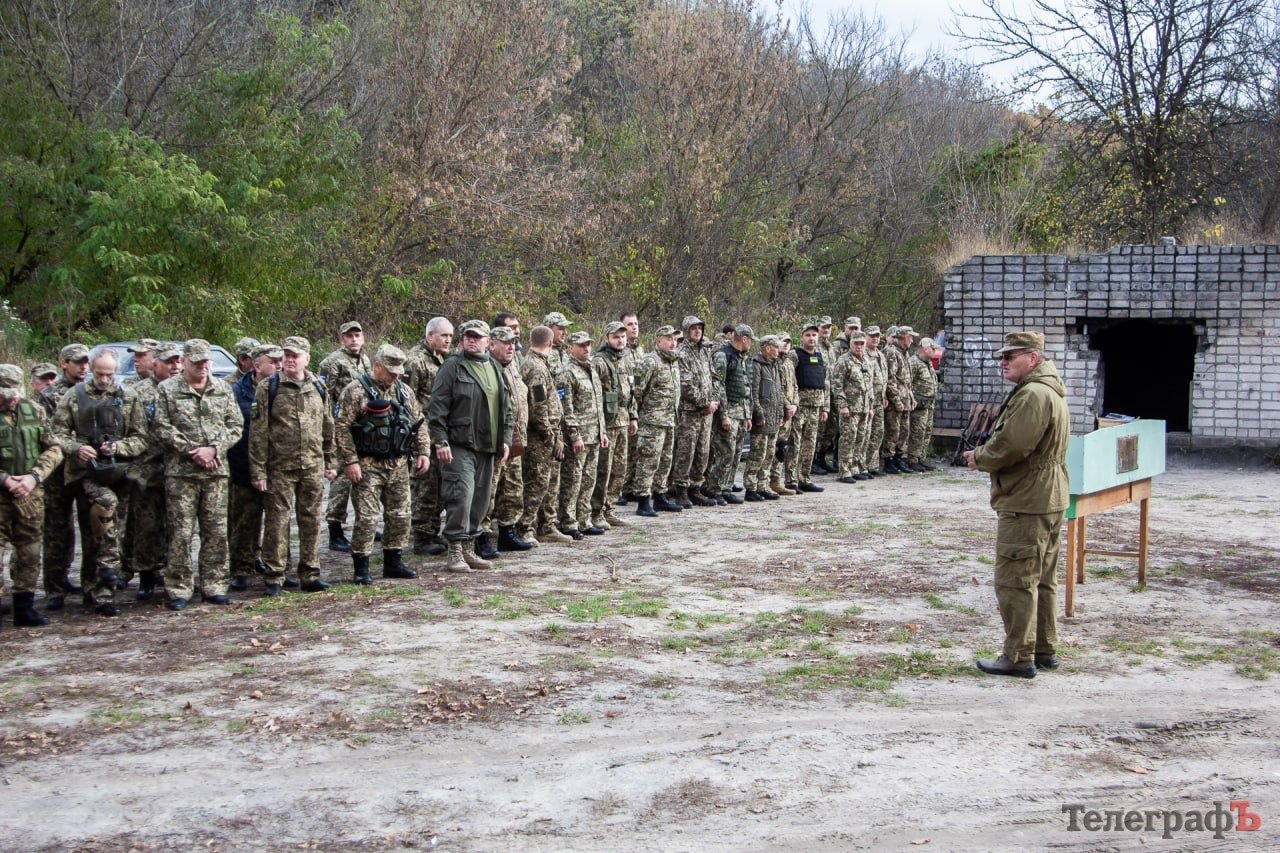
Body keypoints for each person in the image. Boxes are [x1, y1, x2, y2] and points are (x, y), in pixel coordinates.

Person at [964, 331, 1070, 679]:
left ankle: (1018, 655)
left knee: (1016, 578)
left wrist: (980, 457)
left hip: (1028, 497)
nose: (1003, 362)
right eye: (1002, 356)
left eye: (1011, 356)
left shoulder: (1034, 394)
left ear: (1033, 358)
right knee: (1041, 578)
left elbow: (1013, 445)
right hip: (1047, 495)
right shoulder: (1047, 389)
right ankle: (1042, 648)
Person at [49, 347, 148, 616]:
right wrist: (76, 448)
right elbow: (56, 433)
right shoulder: (74, 396)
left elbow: (141, 437)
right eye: (100, 374)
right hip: (87, 474)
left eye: (110, 374)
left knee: (114, 532)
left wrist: (118, 448)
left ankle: (104, 590)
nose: (105, 379)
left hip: (120, 472)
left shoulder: (128, 396)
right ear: (92, 369)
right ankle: (95, 588)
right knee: (98, 526)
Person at [152, 339, 243, 610]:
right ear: (185, 362)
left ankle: (214, 585)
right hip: (182, 474)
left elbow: (235, 424)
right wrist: (193, 450)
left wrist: (214, 449)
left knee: (216, 532)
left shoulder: (222, 389)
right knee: (180, 532)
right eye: (197, 362)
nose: (203, 366)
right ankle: (179, 587)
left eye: (207, 362)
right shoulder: (167, 390)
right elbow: (161, 426)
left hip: (216, 473)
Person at [249, 336, 337, 595]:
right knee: (277, 523)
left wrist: (330, 460)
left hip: (312, 465)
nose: (288, 359)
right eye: (286, 355)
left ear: (307, 359)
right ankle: (274, 576)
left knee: (311, 520)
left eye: (294, 355)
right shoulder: (268, 387)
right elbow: (258, 432)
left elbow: (327, 425)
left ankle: (310, 573)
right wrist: (258, 471)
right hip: (280, 467)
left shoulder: (319, 386)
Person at [335, 344, 430, 583]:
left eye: (398, 372)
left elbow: (418, 422)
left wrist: (423, 452)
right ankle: (362, 567)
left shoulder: (403, 391)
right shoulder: (355, 391)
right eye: (391, 371)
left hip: (397, 463)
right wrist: (350, 461)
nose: (395, 376)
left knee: (400, 515)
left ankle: (393, 561)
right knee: (367, 518)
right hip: (367, 464)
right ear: (377, 366)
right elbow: (342, 427)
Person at [427, 321, 513, 572]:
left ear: (488, 341)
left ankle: (469, 548)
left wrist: (505, 440)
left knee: (480, 500)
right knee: (461, 496)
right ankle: (455, 548)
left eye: (477, 337)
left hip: (488, 447)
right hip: (459, 444)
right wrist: (440, 440)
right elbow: (437, 407)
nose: (472, 341)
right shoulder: (453, 366)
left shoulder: (495, 368)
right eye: (468, 337)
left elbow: (507, 409)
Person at [0, 363, 64, 627]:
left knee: (30, 549)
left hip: (30, 493)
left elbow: (54, 449)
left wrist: (34, 476)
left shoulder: (34, 411)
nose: (11, 398)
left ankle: (24, 606)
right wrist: (4, 479)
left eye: (15, 392)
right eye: (5, 393)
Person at [128, 342, 182, 600]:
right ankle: (147, 576)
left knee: (178, 527)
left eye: (177, 361)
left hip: (179, 469)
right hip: (147, 470)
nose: (175, 366)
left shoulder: (182, 389)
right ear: (155, 363)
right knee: (147, 527)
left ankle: (175, 573)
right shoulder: (137, 393)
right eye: (169, 362)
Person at [39, 343, 90, 610]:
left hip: (84, 470)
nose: (83, 366)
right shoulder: (50, 394)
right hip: (58, 472)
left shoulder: (91, 391)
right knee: (57, 529)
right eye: (77, 361)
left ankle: (88, 584)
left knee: (90, 527)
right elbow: (51, 434)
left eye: (85, 361)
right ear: (64, 363)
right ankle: (54, 587)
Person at [228, 343, 281, 591]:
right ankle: (240, 568)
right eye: (274, 360)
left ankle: (272, 565)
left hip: (277, 464)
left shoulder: (282, 388)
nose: (280, 365)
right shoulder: (236, 391)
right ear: (257, 364)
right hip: (244, 463)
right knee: (244, 521)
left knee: (277, 520)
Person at [319, 321, 370, 552]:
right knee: (341, 479)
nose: (353, 340)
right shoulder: (331, 363)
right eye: (348, 336)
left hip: (361, 428)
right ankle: (335, 529)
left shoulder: (366, 361)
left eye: (357, 335)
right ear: (341, 339)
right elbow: (324, 397)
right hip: (341, 427)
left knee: (363, 477)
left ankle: (364, 524)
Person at [404, 317, 454, 555]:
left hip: (441, 434)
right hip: (424, 434)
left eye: (451, 337)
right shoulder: (415, 361)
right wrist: (416, 441)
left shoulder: (444, 359)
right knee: (425, 489)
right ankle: (422, 537)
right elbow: (407, 400)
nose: (448, 340)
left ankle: (433, 532)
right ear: (430, 335)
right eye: (443, 336)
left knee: (439, 489)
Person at [483, 326, 534, 552]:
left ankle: (507, 533)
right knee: (489, 492)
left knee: (513, 490)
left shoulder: (512, 367)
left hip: (514, 440)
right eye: (506, 342)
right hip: (494, 442)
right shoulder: (486, 368)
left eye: (514, 342)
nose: (511, 346)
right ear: (491, 344)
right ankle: (482, 537)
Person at [519, 325, 570, 544]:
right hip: (538, 437)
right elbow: (538, 407)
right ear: (550, 344)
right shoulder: (536, 368)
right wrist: (550, 436)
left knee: (549, 483)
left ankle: (547, 525)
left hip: (546, 434)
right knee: (537, 483)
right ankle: (525, 527)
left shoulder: (534, 363)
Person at [624, 325, 682, 516]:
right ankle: (642, 499)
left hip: (669, 420)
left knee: (665, 461)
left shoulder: (674, 362)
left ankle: (660, 495)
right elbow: (636, 392)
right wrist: (635, 417)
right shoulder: (649, 361)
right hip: (651, 422)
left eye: (674, 339)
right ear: (658, 341)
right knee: (648, 461)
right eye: (668, 339)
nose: (672, 343)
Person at [557, 330, 608, 538]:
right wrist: (574, 435)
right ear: (571, 348)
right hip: (578, 437)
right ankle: (568, 522)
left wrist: (602, 431)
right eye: (581, 345)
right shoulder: (567, 373)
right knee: (573, 480)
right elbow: (565, 408)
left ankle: (584, 520)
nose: (587, 348)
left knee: (588, 479)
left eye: (588, 344)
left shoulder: (591, 369)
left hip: (594, 434)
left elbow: (598, 404)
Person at [670, 315, 718, 508]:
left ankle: (696, 488)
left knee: (702, 451)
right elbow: (686, 385)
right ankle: (681, 489)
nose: (697, 331)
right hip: (689, 412)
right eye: (693, 328)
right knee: (686, 451)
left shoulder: (704, 352)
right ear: (687, 330)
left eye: (700, 328)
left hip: (707, 413)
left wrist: (714, 400)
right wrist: (705, 402)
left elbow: (713, 377)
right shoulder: (682, 353)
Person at [591, 321, 635, 529]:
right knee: (603, 470)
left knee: (619, 469)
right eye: (616, 337)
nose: (620, 340)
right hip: (607, 425)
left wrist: (633, 417)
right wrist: (600, 428)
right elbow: (596, 398)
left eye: (623, 337)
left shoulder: (626, 360)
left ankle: (610, 508)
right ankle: (596, 511)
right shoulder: (599, 362)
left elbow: (631, 391)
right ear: (607, 338)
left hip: (623, 420)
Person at [705, 324, 754, 505]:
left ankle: (726, 487)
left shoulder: (741, 358)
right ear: (744, 339)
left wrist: (748, 415)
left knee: (736, 453)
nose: (751, 344)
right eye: (750, 341)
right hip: (729, 413)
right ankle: (714, 488)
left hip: (741, 413)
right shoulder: (723, 355)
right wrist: (724, 415)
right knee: (724, 452)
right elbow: (719, 387)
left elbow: (745, 388)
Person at [743, 336, 783, 500]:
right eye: (776, 347)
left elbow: (778, 393)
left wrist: (780, 414)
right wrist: (758, 413)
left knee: (769, 454)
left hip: (774, 418)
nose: (778, 350)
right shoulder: (757, 365)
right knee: (757, 454)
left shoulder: (775, 366)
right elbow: (754, 392)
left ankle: (763, 485)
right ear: (767, 348)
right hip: (763, 418)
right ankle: (751, 487)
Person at [790, 321, 828, 493]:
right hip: (800, 406)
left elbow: (825, 382)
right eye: (808, 335)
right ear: (802, 337)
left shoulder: (820, 356)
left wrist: (825, 407)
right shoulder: (795, 355)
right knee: (795, 443)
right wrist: (791, 403)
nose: (811, 338)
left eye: (814, 335)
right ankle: (791, 480)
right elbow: (789, 381)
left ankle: (805, 478)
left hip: (816, 407)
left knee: (810, 444)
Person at [832, 331, 874, 483]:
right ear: (850, 344)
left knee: (861, 439)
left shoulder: (867, 361)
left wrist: (870, 406)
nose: (859, 346)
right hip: (850, 409)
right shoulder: (843, 361)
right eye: (856, 343)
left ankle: (855, 467)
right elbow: (837, 385)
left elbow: (869, 385)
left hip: (864, 407)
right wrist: (842, 405)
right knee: (848, 439)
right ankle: (844, 470)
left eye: (861, 343)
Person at [882, 326, 917, 474]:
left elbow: (907, 380)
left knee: (904, 431)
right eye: (910, 337)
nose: (912, 340)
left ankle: (898, 458)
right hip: (896, 401)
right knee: (893, 431)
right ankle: (888, 460)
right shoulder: (892, 352)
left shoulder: (905, 353)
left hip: (905, 399)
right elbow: (890, 379)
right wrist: (896, 400)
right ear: (903, 337)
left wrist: (911, 397)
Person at [769, 335, 799, 496]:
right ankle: (766, 481)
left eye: (788, 342)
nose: (786, 345)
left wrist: (795, 404)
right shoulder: (774, 363)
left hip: (790, 412)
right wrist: (787, 405)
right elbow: (777, 388)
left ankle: (776, 481)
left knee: (783, 447)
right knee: (773, 447)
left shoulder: (789, 362)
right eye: (783, 342)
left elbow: (794, 385)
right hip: (778, 412)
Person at [907, 337, 940, 471]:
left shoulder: (928, 363)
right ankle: (912, 459)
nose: (935, 351)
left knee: (926, 431)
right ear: (925, 349)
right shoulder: (914, 362)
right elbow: (908, 383)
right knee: (917, 431)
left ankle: (921, 457)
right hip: (918, 404)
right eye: (933, 349)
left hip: (929, 403)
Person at [863, 326, 888, 477]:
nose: (875, 339)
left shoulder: (880, 354)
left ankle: (873, 465)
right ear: (866, 337)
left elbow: (883, 378)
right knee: (866, 434)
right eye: (872, 336)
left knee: (878, 432)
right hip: (867, 400)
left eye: (877, 336)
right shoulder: (863, 355)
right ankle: (862, 465)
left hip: (879, 400)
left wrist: (884, 396)